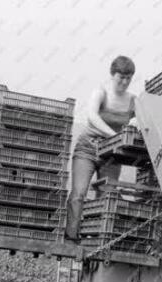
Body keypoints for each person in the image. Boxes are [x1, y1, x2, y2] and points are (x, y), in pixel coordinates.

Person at [64, 55, 137, 244]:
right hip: (88, 147)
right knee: (79, 192)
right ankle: (71, 236)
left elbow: (141, 118)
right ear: (113, 75)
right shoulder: (101, 92)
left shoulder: (132, 100)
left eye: (129, 78)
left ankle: (95, 238)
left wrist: (135, 122)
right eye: (121, 77)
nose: (125, 82)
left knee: (106, 195)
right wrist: (115, 135)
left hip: (111, 155)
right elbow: (92, 116)